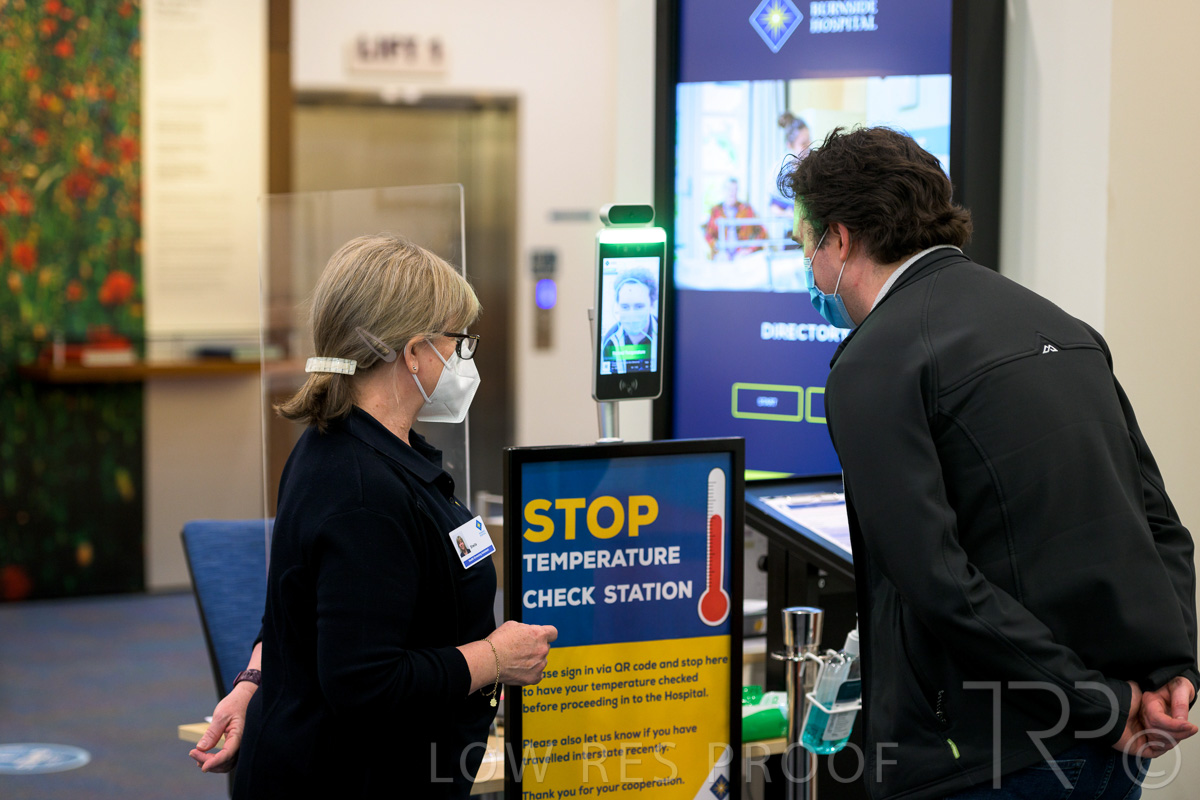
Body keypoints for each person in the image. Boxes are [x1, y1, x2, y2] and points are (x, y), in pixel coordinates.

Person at [778, 127, 1198, 799]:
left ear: (843, 238)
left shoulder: (875, 361)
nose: (808, 265)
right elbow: (1161, 526)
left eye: (805, 243)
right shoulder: (1065, 329)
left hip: (987, 758)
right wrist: (1171, 676)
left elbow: (936, 581)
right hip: (1116, 737)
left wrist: (1095, 703)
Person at [188, 234, 558, 798]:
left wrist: (252, 681)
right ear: (414, 353)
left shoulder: (341, 447)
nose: (465, 358)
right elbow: (366, 683)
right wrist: (495, 658)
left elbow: (299, 611)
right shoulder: (362, 493)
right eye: (458, 341)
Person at [601, 266, 658, 374]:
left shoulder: (666, 333)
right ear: (617, 306)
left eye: (639, 306)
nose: (632, 314)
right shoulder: (609, 341)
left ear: (652, 305)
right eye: (625, 307)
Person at [704, 177, 767, 259]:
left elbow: (761, 232)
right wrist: (717, 248)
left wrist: (749, 250)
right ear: (723, 191)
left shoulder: (746, 209)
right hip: (722, 256)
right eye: (729, 189)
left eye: (735, 190)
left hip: (743, 256)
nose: (732, 193)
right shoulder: (716, 211)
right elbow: (708, 235)